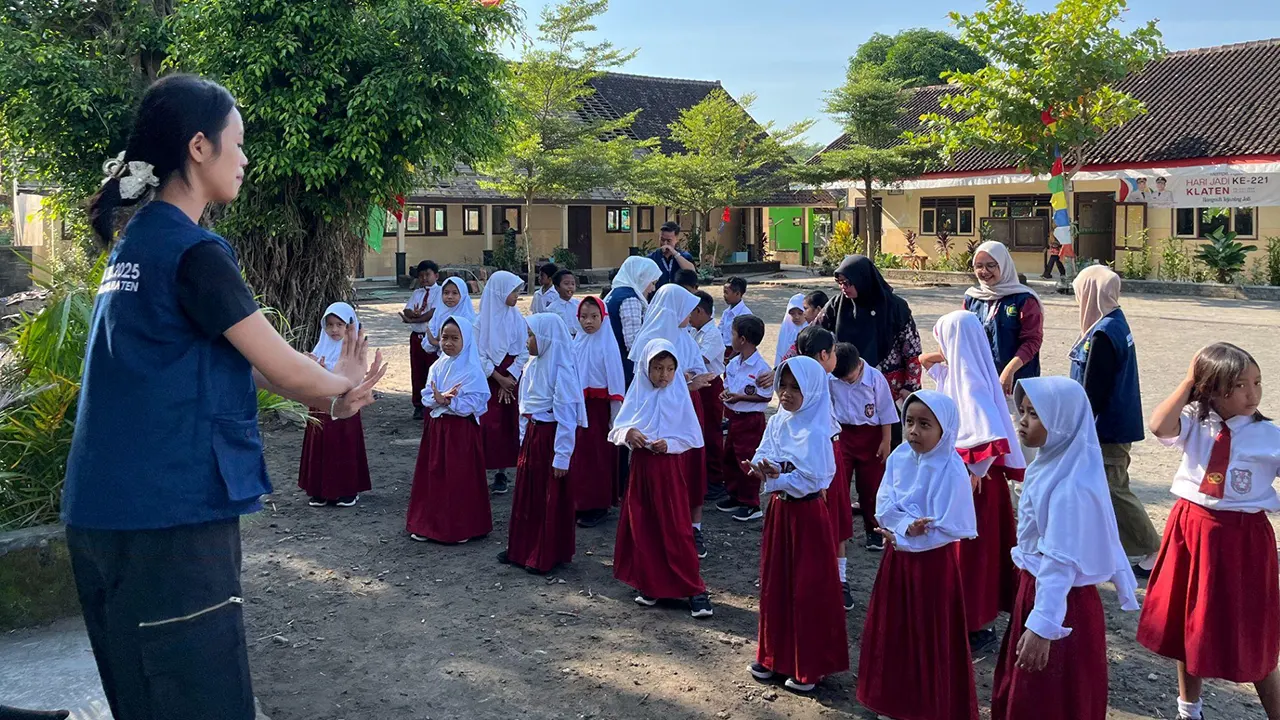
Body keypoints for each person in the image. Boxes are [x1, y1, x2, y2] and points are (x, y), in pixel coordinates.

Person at [63, 74, 385, 720]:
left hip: (102, 517)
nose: (246, 158)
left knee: (144, 700)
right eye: (238, 143)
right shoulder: (195, 252)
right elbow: (285, 367)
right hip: (169, 525)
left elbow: (241, 360)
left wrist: (326, 396)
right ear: (200, 148)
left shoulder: (135, 243)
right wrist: (340, 385)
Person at [1138, 343, 1280, 720]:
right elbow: (1157, 426)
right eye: (1240, 385)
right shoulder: (1194, 422)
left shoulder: (1269, 436)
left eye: (1257, 383)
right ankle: (1190, 709)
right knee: (1192, 622)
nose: (1253, 394)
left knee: (1251, 630)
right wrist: (1188, 380)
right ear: (1213, 389)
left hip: (1244, 540)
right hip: (1193, 530)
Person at [993, 377, 1140, 720]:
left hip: (1060, 606)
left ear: (1062, 422)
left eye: (1035, 414)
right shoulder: (1055, 465)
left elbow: (1059, 561)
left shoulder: (1070, 488)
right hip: (1041, 592)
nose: (1022, 420)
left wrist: (1043, 626)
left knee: (1047, 697)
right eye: (1023, 411)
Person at [856, 390, 979, 720]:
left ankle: (926, 704)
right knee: (896, 628)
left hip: (932, 567)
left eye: (925, 424)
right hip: (898, 560)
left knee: (927, 632)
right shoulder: (899, 458)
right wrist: (905, 526)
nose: (913, 431)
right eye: (909, 422)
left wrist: (906, 531)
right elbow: (884, 503)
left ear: (945, 429)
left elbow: (950, 525)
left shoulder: (951, 469)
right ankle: (895, 699)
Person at [745, 356, 848, 694]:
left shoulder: (818, 431)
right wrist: (763, 467)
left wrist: (780, 476)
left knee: (806, 587)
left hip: (806, 517)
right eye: (783, 386)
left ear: (813, 391)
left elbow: (815, 479)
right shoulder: (778, 422)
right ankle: (774, 655)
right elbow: (766, 451)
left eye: (795, 388)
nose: (786, 394)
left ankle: (810, 663)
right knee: (777, 582)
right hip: (780, 514)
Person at [926, 310, 1025, 651]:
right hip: (964, 481)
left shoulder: (971, 379)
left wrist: (974, 471)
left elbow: (988, 432)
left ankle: (972, 622)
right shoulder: (959, 372)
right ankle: (964, 617)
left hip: (975, 485)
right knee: (965, 554)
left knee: (972, 556)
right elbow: (926, 361)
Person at [609, 338, 714, 619]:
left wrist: (669, 443)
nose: (664, 375)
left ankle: (695, 590)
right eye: (657, 368)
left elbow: (690, 436)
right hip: (642, 469)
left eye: (669, 369)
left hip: (668, 471)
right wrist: (630, 434)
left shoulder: (678, 395)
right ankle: (652, 584)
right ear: (646, 368)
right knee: (644, 526)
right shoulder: (638, 393)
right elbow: (618, 428)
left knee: (676, 527)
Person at [1069, 265, 1159, 577]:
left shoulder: (1104, 333)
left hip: (1106, 428)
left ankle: (1153, 548)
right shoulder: (1113, 321)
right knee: (1104, 486)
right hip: (1114, 423)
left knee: (1113, 488)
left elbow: (1093, 388)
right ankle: (1106, 544)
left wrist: (1075, 426)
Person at [629, 283, 715, 557]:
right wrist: (685, 381)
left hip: (687, 406)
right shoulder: (648, 340)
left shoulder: (686, 338)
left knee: (691, 466)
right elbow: (641, 380)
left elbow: (700, 371)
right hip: (654, 411)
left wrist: (692, 381)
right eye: (686, 310)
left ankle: (695, 526)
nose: (690, 317)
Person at [500, 314, 587, 574]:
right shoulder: (532, 366)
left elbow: (566, 418)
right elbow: (526, 407)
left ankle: (544, 554)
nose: (527, 341)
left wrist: (562, 457)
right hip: (533, 438)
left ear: (546, 337)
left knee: (548, 497)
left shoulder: (562, 370)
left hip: (550, 439)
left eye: (531, 335)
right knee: (528, 495)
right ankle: (521, 548)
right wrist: (522, 439)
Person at [787, 256, 921, 406]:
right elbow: (809, 335)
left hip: (888, 389)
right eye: (840, 283)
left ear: (862, 279)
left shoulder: (896, 308)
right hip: (845, 383)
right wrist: (785, 366)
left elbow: (912, 351)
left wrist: (910, 387)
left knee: (887, 427)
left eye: (848, 283)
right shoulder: (838, 305)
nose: (843, 287)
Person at [405, 318, 492, 544]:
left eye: (455, 338)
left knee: (458, 477)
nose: (448, 343)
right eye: (444, 337)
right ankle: (429, 523)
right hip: (437, 430)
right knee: (433, 475)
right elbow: (427, 393)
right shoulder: (437, 366)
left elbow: (478, 401)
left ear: (466, 340)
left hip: (459, 432)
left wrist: (449, 402)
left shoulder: (473, 370)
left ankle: (460, 526)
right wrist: (437, 400)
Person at [964, 241, 1043, 455]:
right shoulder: (973, 298)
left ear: (1004, 265)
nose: (984, 271)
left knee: (1021, 442)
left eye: (991, 265)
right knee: (990, 440)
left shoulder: (1023, 299)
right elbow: (964, 337)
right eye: (979, 266)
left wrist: (1009, 371)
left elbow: (1032, 341)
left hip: (1017, 385)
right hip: (984, 383)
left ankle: (1024, 488)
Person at [297, 303, 372, 508]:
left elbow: (355, 377)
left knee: (342, 445)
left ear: (350, 326)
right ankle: (320, 489)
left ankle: (347, 490)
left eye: (340, 324)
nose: (334, 330)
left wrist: (326, 373)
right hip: (321, 405)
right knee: (321, 445)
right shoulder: (320, 348)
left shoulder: (355, 350)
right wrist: (313, 366)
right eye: (330, 325)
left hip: (344, 405)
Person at [831, 341, 897, 552]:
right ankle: (838, 530)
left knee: (871, 487)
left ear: (859, 365)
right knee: (838, 482)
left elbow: (886, 411)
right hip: (843, 434)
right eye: (841, 378)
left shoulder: (875, 379)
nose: (846, 381)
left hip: (871, 437)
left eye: (849, 377)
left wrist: (886, 441)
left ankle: (874, 531)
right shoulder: (832, 379)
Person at [568, 297, 625, 528]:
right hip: (578, 409)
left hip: (599, 412)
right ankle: (579, 502)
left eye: (593, 317)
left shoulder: (607, 346)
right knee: (579, 458)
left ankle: (598, 505)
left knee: (597, 459)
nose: (588, 322)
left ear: (603, 317)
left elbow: (615, 383)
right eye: (583, 317)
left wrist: (615, 416)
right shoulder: (577, 343)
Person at [476, 270, 529, 495]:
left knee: (509, 422)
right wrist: (498, 378)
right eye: (513, 291)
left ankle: (502, 471)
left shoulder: (517, 318)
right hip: (489, 379)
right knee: (488, 423)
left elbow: (525, 350)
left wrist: (512, 377)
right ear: (499, 292)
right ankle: (479, 468)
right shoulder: (479, 322)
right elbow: (477, 355)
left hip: (511, 378)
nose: (517, 296)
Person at [716, 315, 770, 522]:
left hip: (750, 419)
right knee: (729, 457)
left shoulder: (761, 368)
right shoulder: (733, 363)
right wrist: (726, 394)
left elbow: (764, 396)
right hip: (733, 417)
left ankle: (751, 503)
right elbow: (728, 384)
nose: (731, 338)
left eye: (733, 334)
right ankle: (734, 495)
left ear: (743, 339)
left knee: (746, 461)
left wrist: (741, 397)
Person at [689, 291, 727, 503]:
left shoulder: (712, 334)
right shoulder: (694, 331)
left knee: (712, 431)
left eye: (691, 312)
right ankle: (705, 475)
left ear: (700, 311)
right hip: (697, 385)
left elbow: (698, 360)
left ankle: (715, 478)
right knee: (699, 430)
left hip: (710, 384)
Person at [603, 256, 662, 386]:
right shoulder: (630, 299)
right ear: (641, 277)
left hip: (612, 360)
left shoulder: (614, 293)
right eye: (652, 283)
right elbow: (633, 343)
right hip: (624, 366)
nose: (652, 289)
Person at [401, 260, 440, 420]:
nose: (424, 278)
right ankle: (418, 405)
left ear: (436, 276)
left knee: (432, 369)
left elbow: (433, 313)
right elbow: (407, 309)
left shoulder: (440, 292)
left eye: (427, 275)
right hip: (416, 338)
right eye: (421, 275)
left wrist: (414, 320)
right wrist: (412, 315)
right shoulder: (417, 293)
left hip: (430, 338)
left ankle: (432, 403)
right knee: (417, 371)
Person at [423, 277, 477, 359]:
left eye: (455, 293)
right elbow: (427, 344)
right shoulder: (438, 313)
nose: (449, 297)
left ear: (463, 295)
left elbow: (466, 344)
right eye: (446, 293)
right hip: (439, 360)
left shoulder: (468, 317)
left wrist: (435, 342)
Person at [648, 220, 696, 288]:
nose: (665, 243)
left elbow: (692, 272)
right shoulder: (652, 258)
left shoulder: (685, 256)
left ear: (676, 239)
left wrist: (675, 253)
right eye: (662, 240)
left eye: (668, 241)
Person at [544, 268, 582, 336]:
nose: (570, 287)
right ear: (557, 288)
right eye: (566, 284)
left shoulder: (579, 305)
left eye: (573, 284)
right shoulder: (551, 309)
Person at [775, 293, 808, 368]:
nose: (796, 317)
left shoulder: (810, 331)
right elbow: (779, 353)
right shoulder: (786, 330)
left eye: (800, 313)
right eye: (792, 313)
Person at [720, 276, 751, 353]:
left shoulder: (745, 314)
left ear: (737, 293)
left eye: (726, 292)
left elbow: (744, 342)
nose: (724, 295)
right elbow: (720, 332)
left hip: (735, 352)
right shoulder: (726, 313)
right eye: (724, 292)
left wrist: (730, 358)